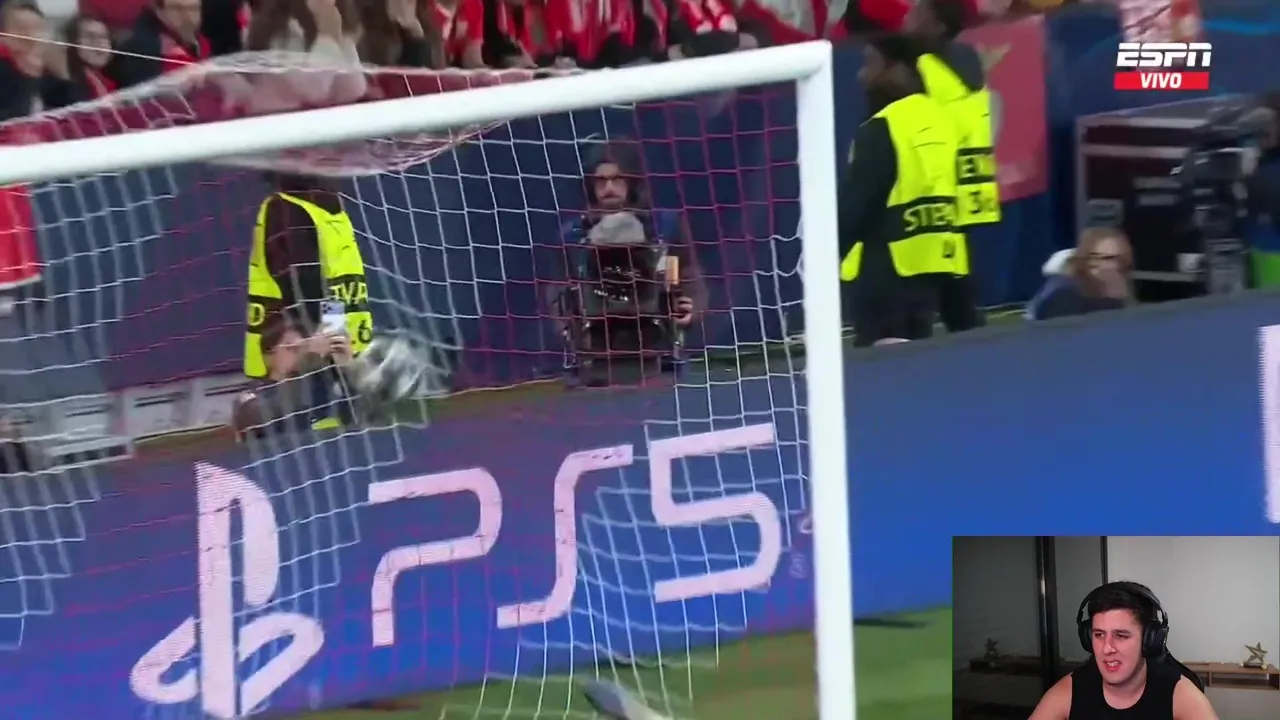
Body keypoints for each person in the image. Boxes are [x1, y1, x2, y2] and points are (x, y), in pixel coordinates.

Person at [838, 33, 962, 346]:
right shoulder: (942, 119)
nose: (862, 76)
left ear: (898, 69)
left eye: (870, 64)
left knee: (882, 364)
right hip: (932, 265)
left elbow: (857, 206)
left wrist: (827, 256)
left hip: (884, 269)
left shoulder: (882, 126)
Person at [244, 172, 374, 404]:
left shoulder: (304, 210)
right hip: (313, 355)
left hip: (316, 354)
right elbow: (312, 288)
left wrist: (330, 341)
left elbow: (313, 288)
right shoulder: (313, 211)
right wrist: (333, 337)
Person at [904, 0, 993, 334]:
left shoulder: (921, 66)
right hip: (967, 181)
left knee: (923, 279)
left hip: (933, 183)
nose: (908, 17)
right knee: (956, 274)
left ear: (939, 26)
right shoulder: (968, 57)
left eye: (919, 13)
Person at [1029, 582, 1218, 720]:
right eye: (1099, 635)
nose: (1107, 648)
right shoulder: (1070, 690)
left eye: (1120, 636)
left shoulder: (1180, 695)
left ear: (1149, 640)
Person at [232, 313, 363, 438]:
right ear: (267, 356)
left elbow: (363, 416)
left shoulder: (325, 388)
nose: (300, 354)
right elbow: (264, 418)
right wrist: (310, 356)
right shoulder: (250, 399)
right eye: (292, 348)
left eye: (303, 348)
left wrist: (348, 368)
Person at [1026, 227, 1132, 321]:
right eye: (1107, 258)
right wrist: (1115, 301)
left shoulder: (1113, 288)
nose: (1115, 266)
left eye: (1121, 259)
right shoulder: (1063, 295)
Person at [110, 0, 210, 87]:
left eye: (194, 8)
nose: (188, 17)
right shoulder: (139, 53)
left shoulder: (202, 42)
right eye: (177, 9)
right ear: (160, 12)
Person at [45, 14, 116, 108]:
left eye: (104, 37)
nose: (100, 43)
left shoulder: (107, 80)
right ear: (72, 41)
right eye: (90, 36)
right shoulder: (58, 82)